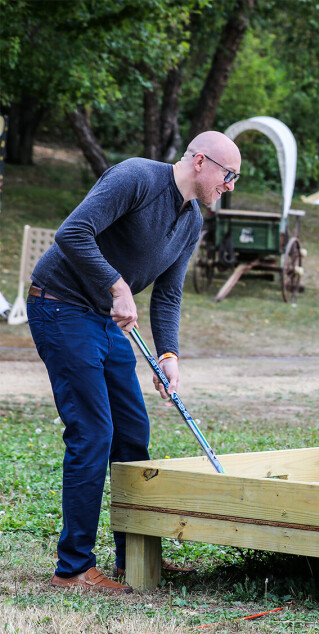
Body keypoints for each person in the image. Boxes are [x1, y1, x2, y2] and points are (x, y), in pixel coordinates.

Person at [27, 132, 241, 593]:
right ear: (200, 161)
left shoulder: (191, 221)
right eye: (228, 175)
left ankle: (133, 557)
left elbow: (167, 294)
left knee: (131, 433)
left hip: (104, 319)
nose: (230, 186)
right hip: (61, 305)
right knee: (93, 432)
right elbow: (72, 233)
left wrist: (168, 355)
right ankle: (74, 568)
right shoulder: (136, 178)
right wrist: (117, 286)